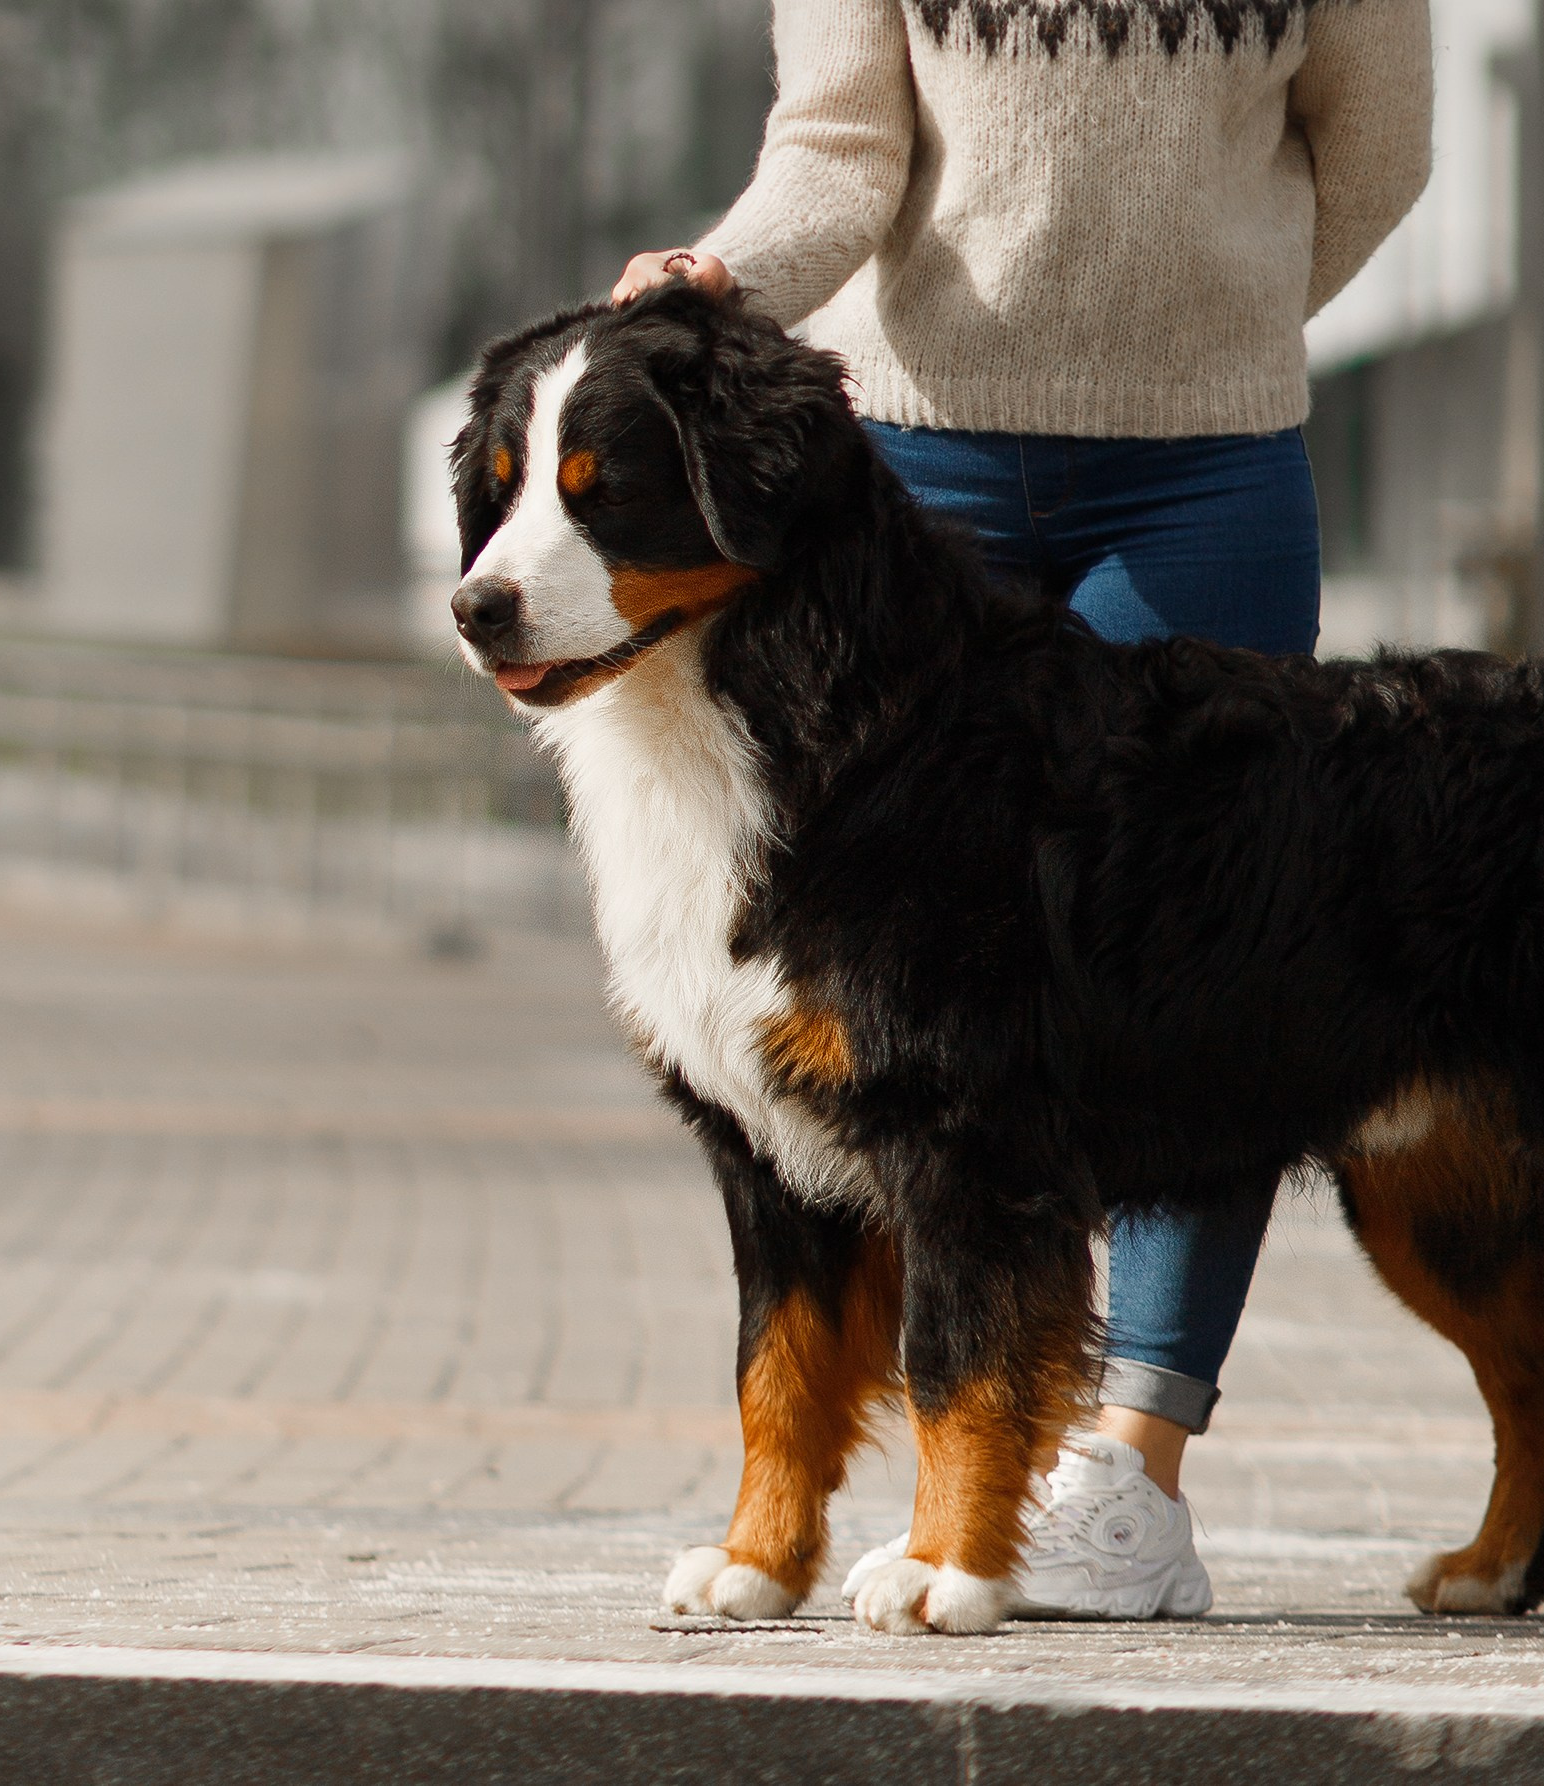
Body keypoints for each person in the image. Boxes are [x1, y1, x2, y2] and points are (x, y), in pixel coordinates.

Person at [615, 0, 1432, 1619]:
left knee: (1190, 966)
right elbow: (840, 151)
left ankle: (1130, 1469)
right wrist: (727, 281)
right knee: (922, 1017)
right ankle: (957, 1465)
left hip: (1209, 481)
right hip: (922, 462)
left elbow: (1381, 156)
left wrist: (1217, 325)